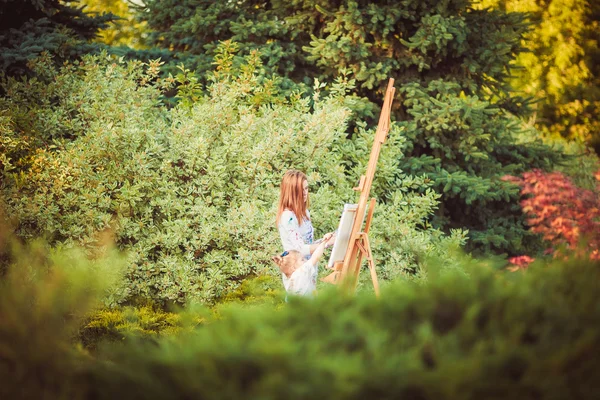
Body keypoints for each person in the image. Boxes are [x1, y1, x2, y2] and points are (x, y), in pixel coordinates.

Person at [276, 170, 336, 290]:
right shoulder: (288, 217)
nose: (305, 193)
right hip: (297, 275)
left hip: (309, 270)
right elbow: (300, 250)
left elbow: (308, 244)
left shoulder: (304, 213)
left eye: (306, 188)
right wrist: (325, 243)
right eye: (300, 190)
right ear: (291, 192)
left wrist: (328, 239)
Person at [272, 232, 335, 297]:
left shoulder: (292, 279)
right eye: (302, 259)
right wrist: (324, 241)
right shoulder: (300, 273)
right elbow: (315, 257)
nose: (305, 260)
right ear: (293, 267)